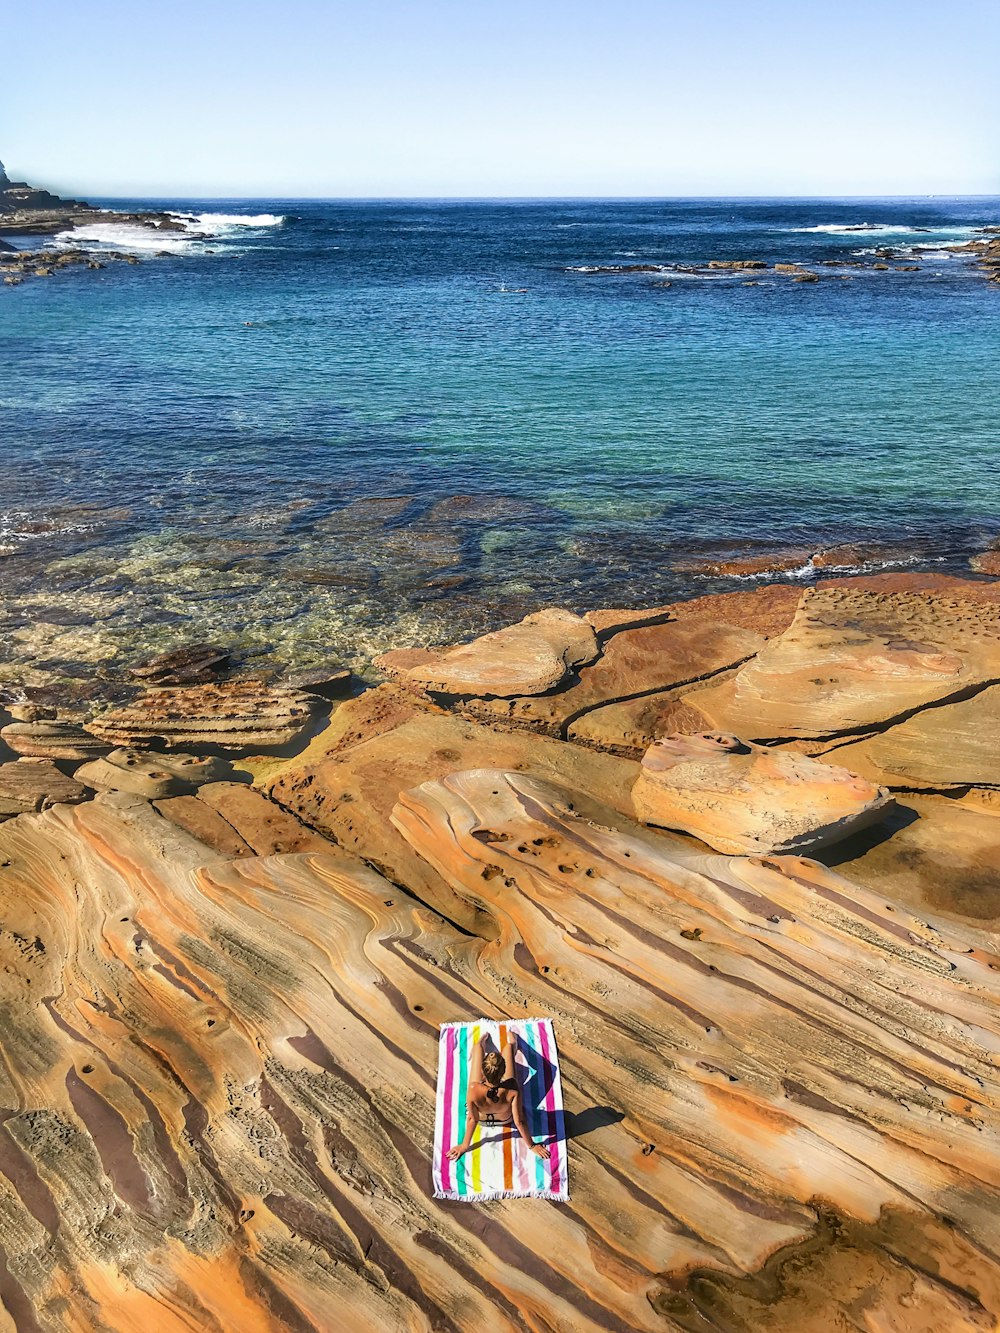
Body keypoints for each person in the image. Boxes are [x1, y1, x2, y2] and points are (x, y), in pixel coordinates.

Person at [447, 1035, 549, 1162]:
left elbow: (472, 1119)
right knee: (508, 1048)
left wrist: (464, 1146)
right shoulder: (512, 1088)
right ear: (503, 1071)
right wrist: (532, 1145)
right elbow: (519, 1121)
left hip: (482, 1120)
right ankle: (512, 1042)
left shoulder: (474, 1089)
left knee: (478, 1049)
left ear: (483, 1073)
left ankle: (480, 1042)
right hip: (505, 1119)